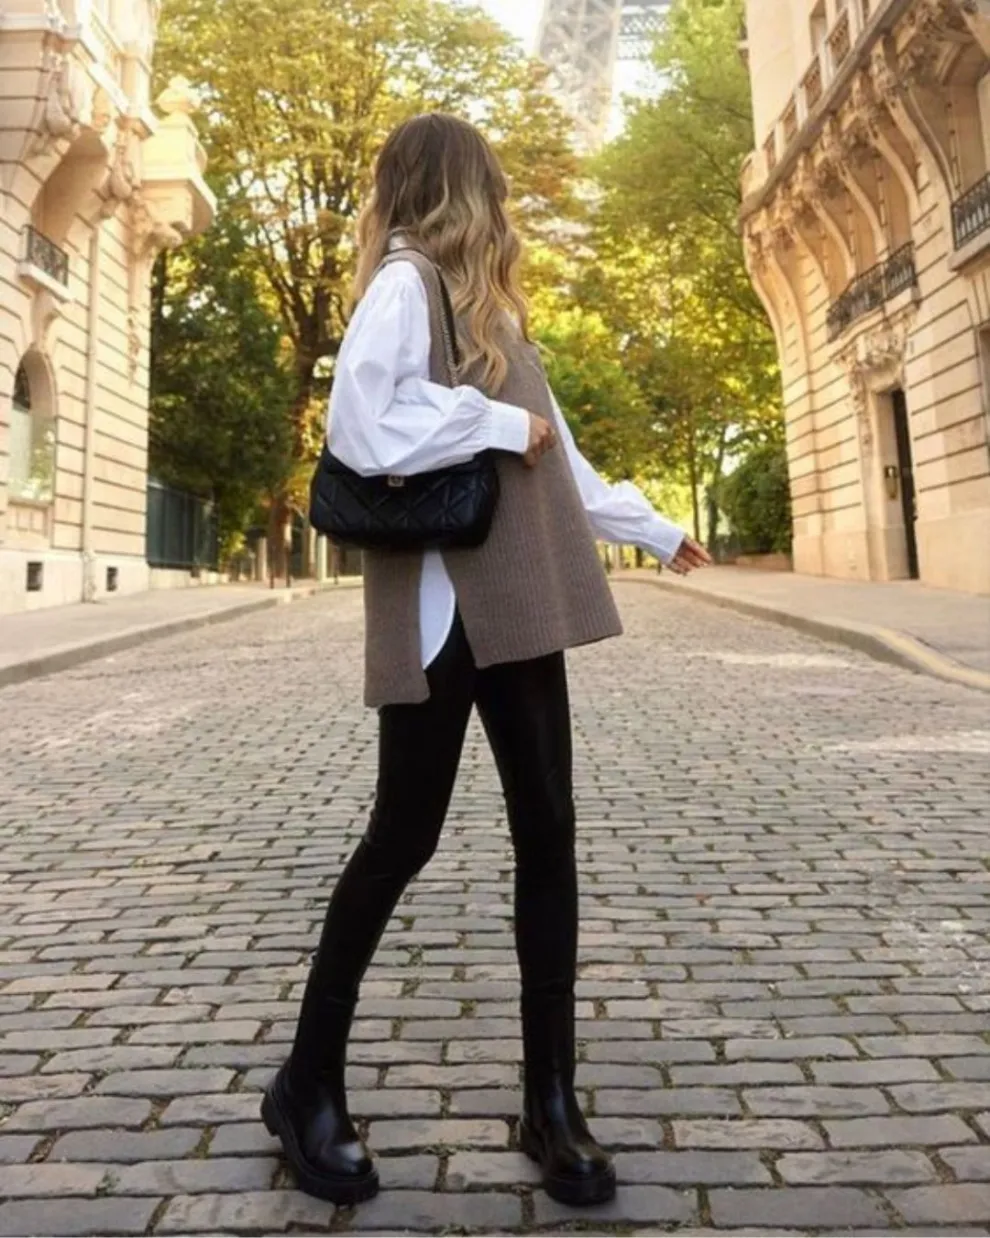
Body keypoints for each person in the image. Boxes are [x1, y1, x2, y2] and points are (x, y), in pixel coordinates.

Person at [262, 111, 711, 1209]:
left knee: (548, 828)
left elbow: (562, 459)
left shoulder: (495, 310)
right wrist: (499, 429)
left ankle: (550, 1100)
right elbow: (364, 425)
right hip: (439, 602)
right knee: (401, 835)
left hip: (515, 595)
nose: (506, 203)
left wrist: (649, 526)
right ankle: (304, 1079)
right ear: (458, 188)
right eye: (494, 186)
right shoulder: (404, 284)